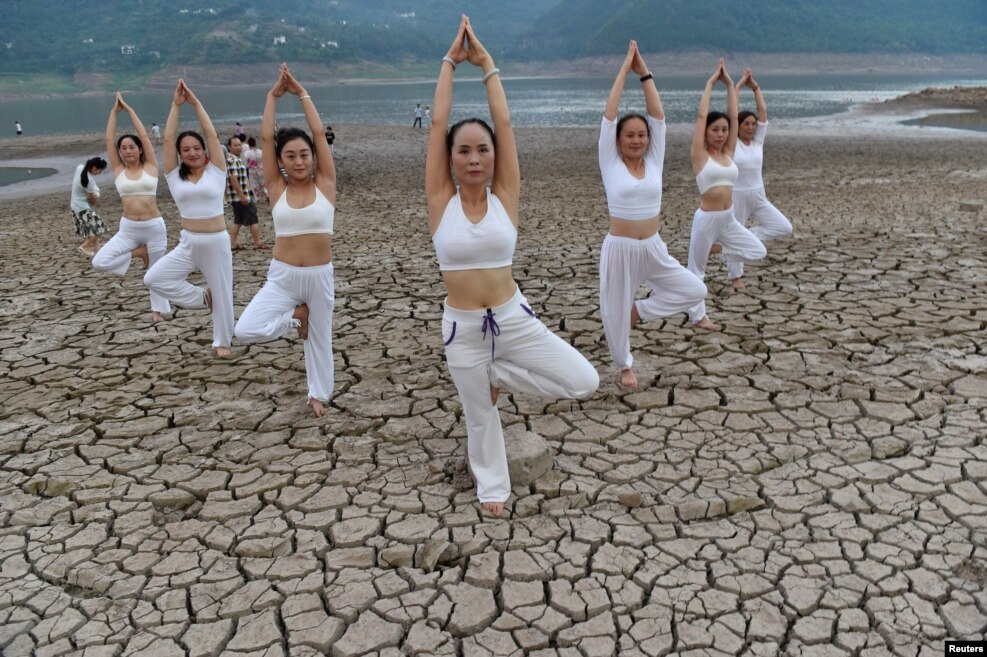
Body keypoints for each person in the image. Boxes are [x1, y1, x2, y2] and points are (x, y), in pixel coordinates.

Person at [425, 16, 599, 517]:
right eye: (464, 151)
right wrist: (447, 64)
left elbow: (505, 124)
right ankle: (492, 488)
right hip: (462, 329)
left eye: (482, 151)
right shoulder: (441, 201)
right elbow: (438, 123)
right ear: (452, 159)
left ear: (494, 158)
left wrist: (487, 66)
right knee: (480, 416)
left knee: (582, 381)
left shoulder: (506, 198)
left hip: (512, 318)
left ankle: (499, 371)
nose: (474, 158)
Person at [598, 41, 707, 388]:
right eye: (629, 135)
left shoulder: (654, 159)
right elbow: (609, 116)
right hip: (621, 248)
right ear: (617, 140)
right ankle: (624, 364)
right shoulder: (610, 161)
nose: (636, 140)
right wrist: (622, 71)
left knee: (694, 290)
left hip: (653, 247)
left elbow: (658, 117)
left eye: (641, 135)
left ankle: (640, 312)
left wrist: (643, 72)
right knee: (613, 312)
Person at [235, 64, 337, 418]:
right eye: (290, 156)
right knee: (245, 329)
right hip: (283, 276)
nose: (298, 161)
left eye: (303, 154)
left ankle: (318, 395)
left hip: (320, 275)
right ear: (279, 161)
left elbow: (319, 134)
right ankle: (296, 318)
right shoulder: (276, 189)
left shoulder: (325, 185)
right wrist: (272, 96)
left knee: (321, 341)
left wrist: (302, 93)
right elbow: (265, 138)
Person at [144, 80, 233, 356]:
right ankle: (200, 298)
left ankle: (222, 342)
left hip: (216, 240)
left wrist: (196, 104)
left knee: (224, 292)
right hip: (188, 242)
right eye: (187, 150)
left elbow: (212, 134)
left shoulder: (216, 171)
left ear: (204, 151)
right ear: (181, 155)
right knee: (154, 278)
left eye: (197, 148)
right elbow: (168, 140)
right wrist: (175, 105)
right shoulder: (173, 176)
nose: (192, 152)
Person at [685, 60, 766, 330]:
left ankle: (717, 249)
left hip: (728, 218)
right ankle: (699, 317)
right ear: (706, 132)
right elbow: (700, 116)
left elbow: (734, 118)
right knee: (696, 271)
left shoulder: (728, 153)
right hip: (707, 219)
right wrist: (710, 84)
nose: (721, 134)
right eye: (715, 130)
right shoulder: (700, 155)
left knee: (757, 249)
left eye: (724, 130)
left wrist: (731, 85)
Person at [93, 92, 171, 322]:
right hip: (128, 228)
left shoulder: (150, 167)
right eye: (123, 148)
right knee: (99, 262)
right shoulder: (119, 170)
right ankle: (139, 253)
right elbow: (109, 139)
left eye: (131, 147)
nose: (127, 150)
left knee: (155, 272)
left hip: (153, 226)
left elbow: (145, 136)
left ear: (139, 149)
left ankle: (158, 310)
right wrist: (113, 113)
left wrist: (130, 110)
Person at [730, 68, 792, 288]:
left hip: (758, 195)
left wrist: (755, 87)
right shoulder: (732, 143)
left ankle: (742, 236)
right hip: (736, 196)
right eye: (745, 124)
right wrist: (737, 87)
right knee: (736, 232)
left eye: (753, 124)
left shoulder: (757, 143)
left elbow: (763, 112)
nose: (750, 127)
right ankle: (735, 277)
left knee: (784, 227)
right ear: (738, 126)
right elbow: (732, 111)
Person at [226, 136, 268, 250]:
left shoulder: (233, 160)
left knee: (238, 220)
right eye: (235, 145)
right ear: (229, 146)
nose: (239, 147)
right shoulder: (233, 161)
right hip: (241, 197)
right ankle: (258, 242)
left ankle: (233, 243)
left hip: (236, 198)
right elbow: (233, 179)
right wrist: (243, 196)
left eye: (240, 145)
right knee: (253, 219)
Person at [70, 157, 108, 256]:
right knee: (100, 229)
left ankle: (98, 252)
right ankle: (84, 246)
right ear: (94, 168)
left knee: (92, 230)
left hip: (75, 206)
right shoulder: (89, 181)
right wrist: (95, 199)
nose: (100, 172)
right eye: (101, 170)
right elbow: (91, 199)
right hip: (82, 208)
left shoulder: (80, 168)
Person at [243, 136, 267, 202]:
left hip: (252, 171)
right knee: (264, 184)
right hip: (261, 170)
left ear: (249, 144)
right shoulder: (260, 152)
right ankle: (267, 194)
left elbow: (246, 162)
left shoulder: (247, 153)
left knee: (254, 185)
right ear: (255, 143)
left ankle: (257, 198)